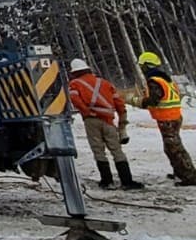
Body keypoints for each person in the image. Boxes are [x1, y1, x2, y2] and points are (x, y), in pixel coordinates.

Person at [66, 58, 142, 189]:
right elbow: (118, 102)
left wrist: (87, 112)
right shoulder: (105, 83)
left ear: (74, 72)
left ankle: (107, 181)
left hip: (91, 121)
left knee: (98, 150)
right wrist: (122, 117)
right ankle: (127, 181)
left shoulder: (74, 84)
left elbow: (75, 99)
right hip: (108, 120)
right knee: (117, 150)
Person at [128, 51, 196, 185]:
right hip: (173, 116)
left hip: (168, 119)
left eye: (142, 66)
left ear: (146, 66)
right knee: (172, 148)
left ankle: (189, 177)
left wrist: (137, 101)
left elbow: (155, 100)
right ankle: (180, 172)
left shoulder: (154, 80)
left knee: (175, 149)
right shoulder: (166, 79)